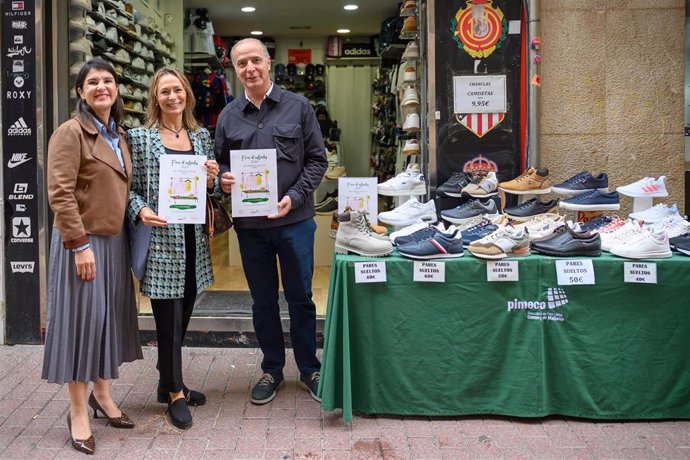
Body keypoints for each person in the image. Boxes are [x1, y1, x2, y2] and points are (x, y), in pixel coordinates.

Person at [216, 38, 328, 405]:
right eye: (241, 63)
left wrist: (293, 198)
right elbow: (220, 166)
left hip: (295, 221)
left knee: (301, 298)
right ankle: (272, 369)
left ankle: (310, 368)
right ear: (235, 70)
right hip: (251, 228)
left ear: (268, 63)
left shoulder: (299, 107)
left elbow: (316, 161)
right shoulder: (228, 116)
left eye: (255, 61)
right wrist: (223, 178)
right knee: (262, 302)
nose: (250, 68)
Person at [42, 57, 142, 455]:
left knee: (107, 321)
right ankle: (78, 410)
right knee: (82, 323)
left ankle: (103, 392)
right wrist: (79, 244)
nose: (103, 87)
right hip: (82, 242)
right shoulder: (71, 132)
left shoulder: (118, 134)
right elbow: (60, 194)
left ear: (116, 88)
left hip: (113, 239)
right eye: (93, 82)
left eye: (108, 80)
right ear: (80, 92)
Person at [126, 67, 221, 429]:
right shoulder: (141, 137)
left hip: (194, 241)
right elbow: (128, 189)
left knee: (183, 316)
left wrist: (212, 180)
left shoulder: (201, 137)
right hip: (162, 240)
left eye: (177, 90)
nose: (172, 97)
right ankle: (175, 393)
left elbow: (209, 195)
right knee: (168, 321)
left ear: (187, 95)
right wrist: (141, 210)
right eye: (164, 91)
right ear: (155, 97)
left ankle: (167, 381)